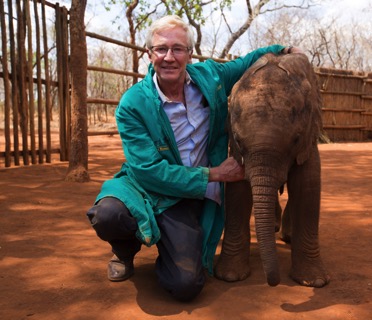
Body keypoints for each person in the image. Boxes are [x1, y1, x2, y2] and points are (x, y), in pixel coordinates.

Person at [86, 15, 301, 302]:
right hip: (144, 188)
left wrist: (284, 49)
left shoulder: (210, 78)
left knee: (186, 285)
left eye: (178, 49)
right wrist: (213, 175)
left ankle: (170, 243)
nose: (169, 57)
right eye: (161, 49)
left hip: (184, 198)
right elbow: (149, 171)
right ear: (149, 54)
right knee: (108, 215)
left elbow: (245, 61)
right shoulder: (132, 104)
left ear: (190, 54)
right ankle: (124, 252)